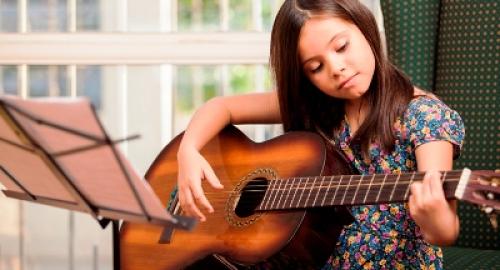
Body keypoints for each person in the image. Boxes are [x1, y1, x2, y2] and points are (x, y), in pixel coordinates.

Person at [176, 0, 465, 269]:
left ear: (365, 28)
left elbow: (445, 229)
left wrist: (437, 221)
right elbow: (220, 107)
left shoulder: (425, 116)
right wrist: (188, 150)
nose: (336, 68)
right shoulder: (315, 105)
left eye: (341, 47)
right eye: (316, 67)